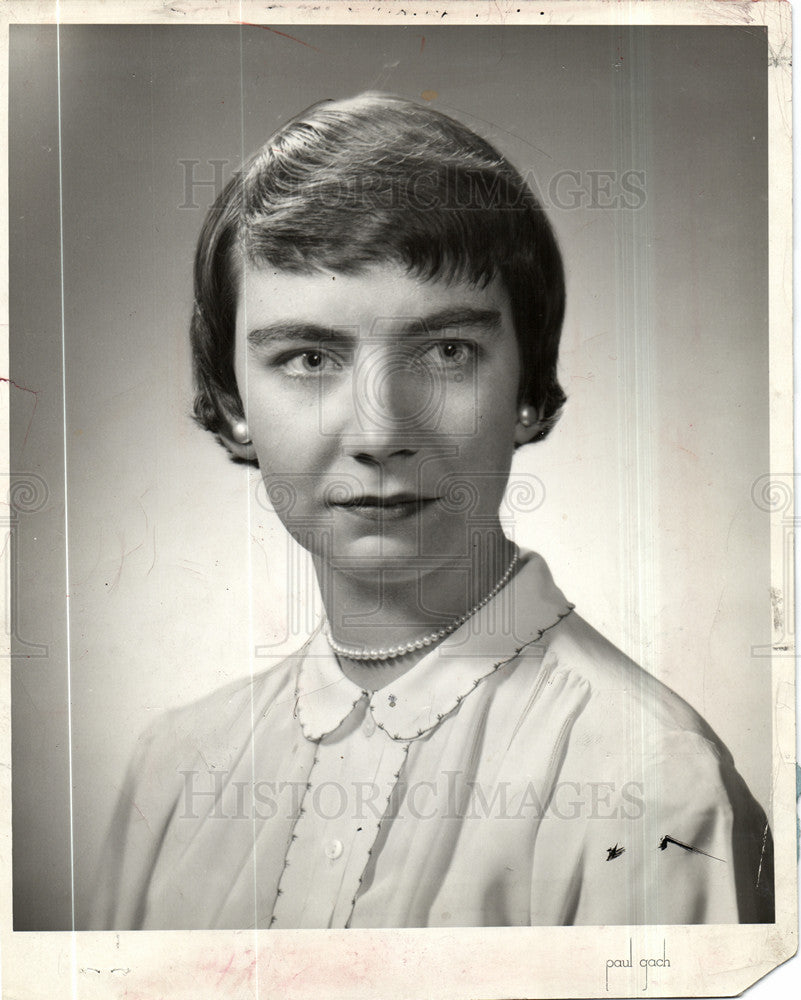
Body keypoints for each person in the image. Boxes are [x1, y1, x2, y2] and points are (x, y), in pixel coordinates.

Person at [87, 93, 773, 929]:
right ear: (232, 401)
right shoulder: (171, 770)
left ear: (524, 387)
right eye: (307, 357)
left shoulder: (655, 785)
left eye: (447, 352)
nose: (379, 432)